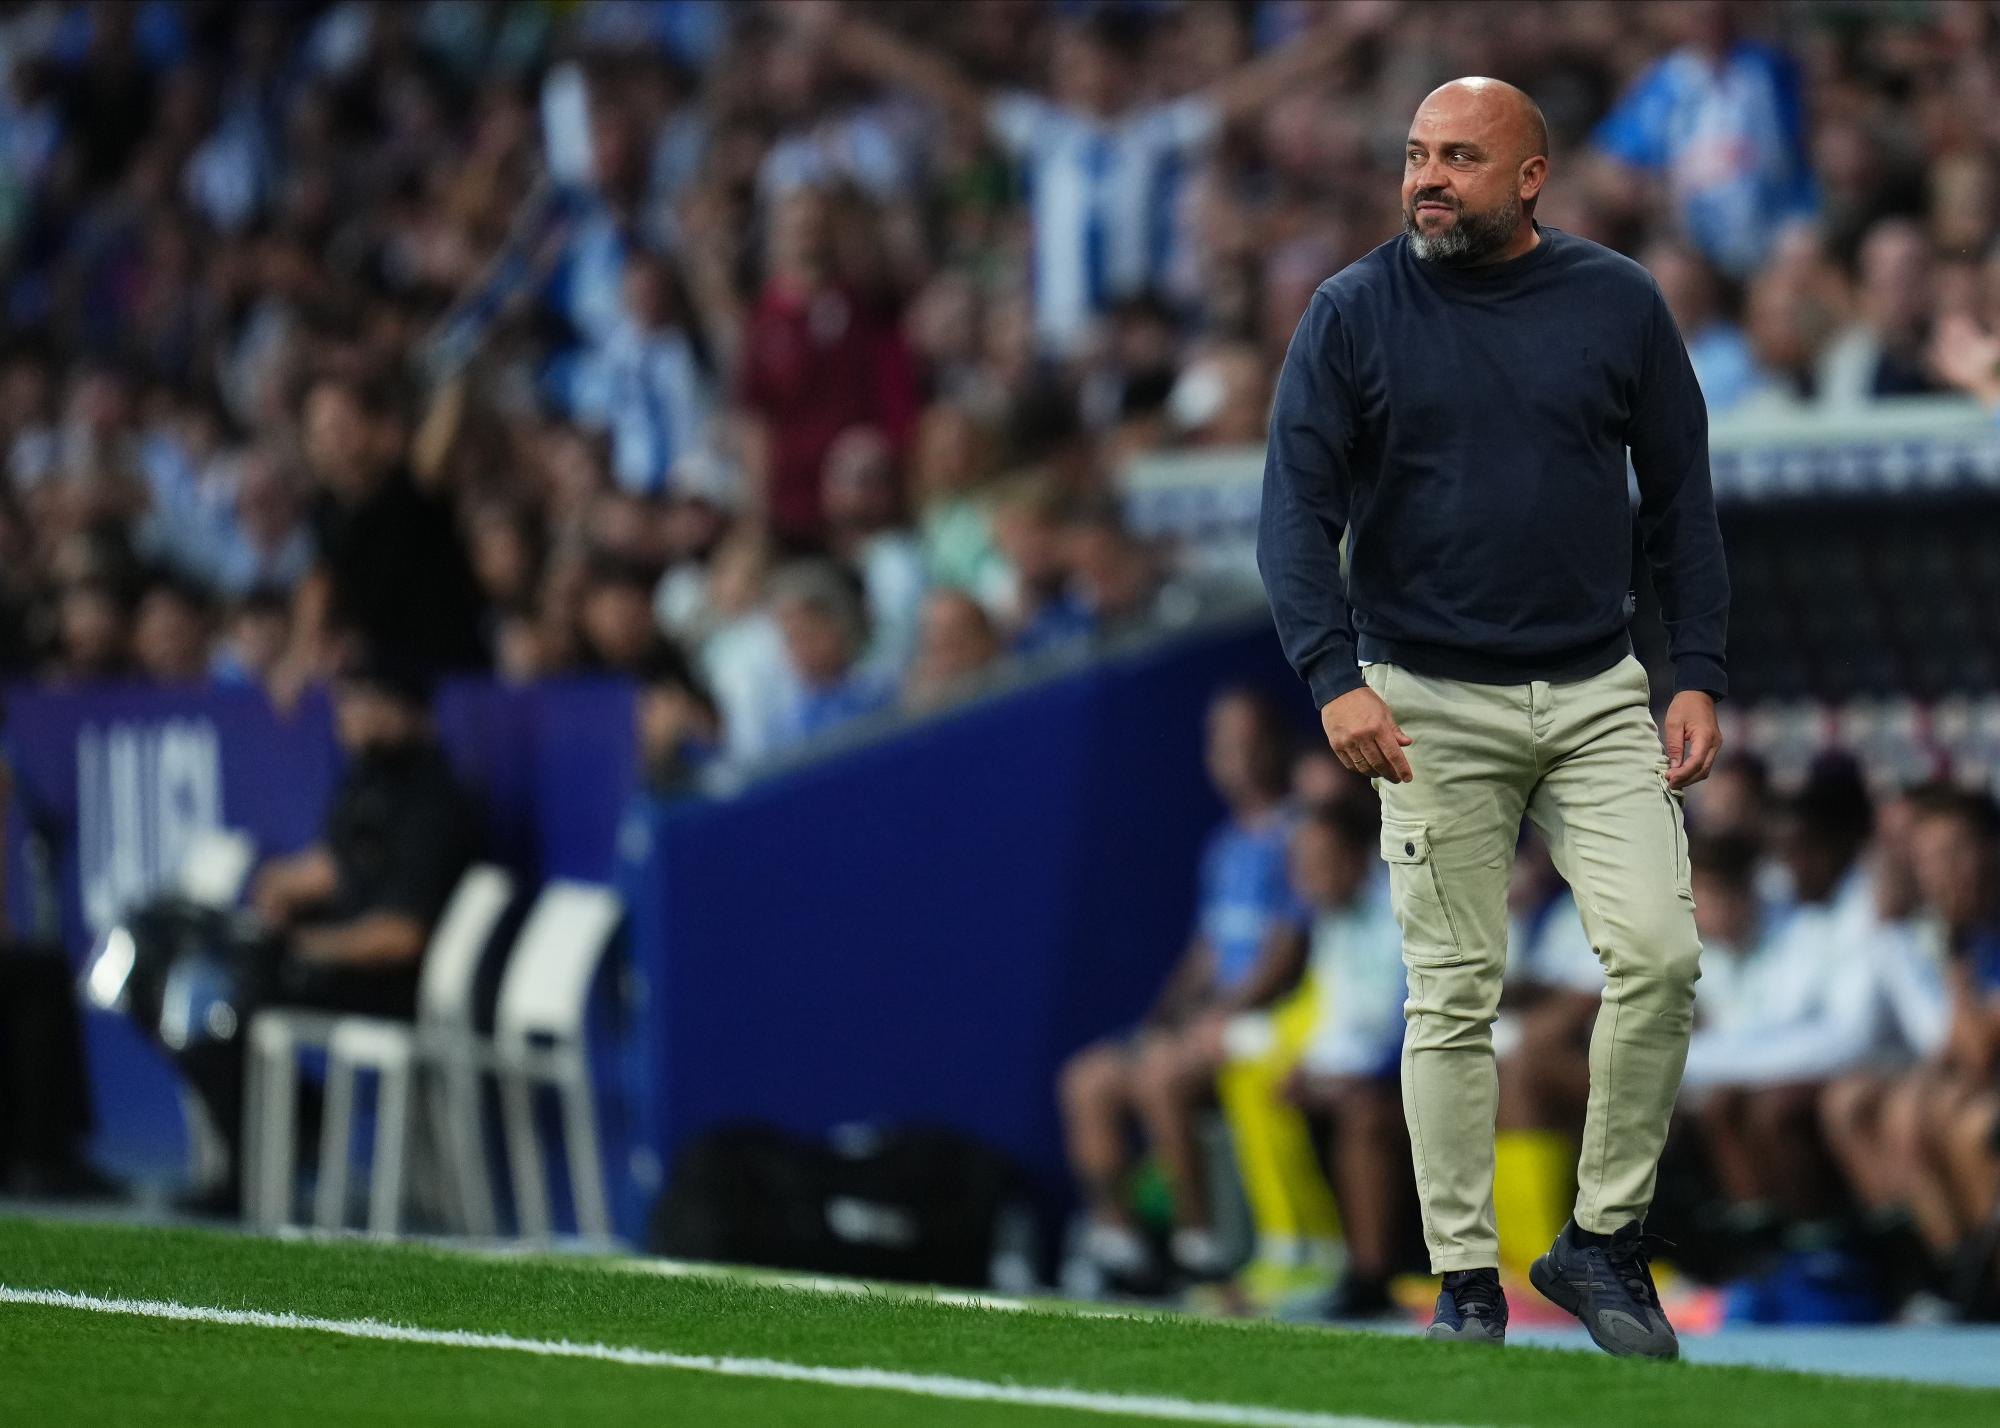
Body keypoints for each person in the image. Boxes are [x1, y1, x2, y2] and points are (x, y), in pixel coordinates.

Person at [1258, 77, 1730, 1356]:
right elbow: (1292, 513)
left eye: (1459, 158)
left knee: (1660, 958)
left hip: (1593, 690)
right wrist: (1331, 675)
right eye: (1416, 154)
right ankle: (1464, 1280)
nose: (1426, 178)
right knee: (1451, 993)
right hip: (1423, 697)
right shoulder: (1350, 311)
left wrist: (1693, 670)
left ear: (1529, 178)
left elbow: (1679, 499)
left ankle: (1600, 1241)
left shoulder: (1616, 301)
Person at [138, 653, 480, 1214]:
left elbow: (401, 935)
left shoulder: (433, 804)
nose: (351, 716)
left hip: (389, 986)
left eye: (367, 702)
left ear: (408, 711)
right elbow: (336, 866)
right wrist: (282, 886)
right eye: (348, 701)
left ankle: (264, 1162)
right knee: (183, 983)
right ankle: (292, 1131)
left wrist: (306, 947)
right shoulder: (366, 782)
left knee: (231, 1004)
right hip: (338, 967)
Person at [1058, 687, 1307, 1284]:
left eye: (1246, 740)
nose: (1234, 755)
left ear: (1273, 744)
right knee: (1087, 1080)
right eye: (1221, 743)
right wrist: (1164, 1018)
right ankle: (1120, 1245)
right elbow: (1207, 951)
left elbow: (1286, 955)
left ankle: (1199, 1245)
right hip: (1208, 1018)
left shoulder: (1300, 832)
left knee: (1160, 1076)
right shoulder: (1224, 845)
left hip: (1267, 1020)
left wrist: (1219, 1014)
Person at [1283, 797, 1410, 1319]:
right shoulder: (1331, 921)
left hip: (1417, 1072)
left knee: (1362, 1113)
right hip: (1366, 1074)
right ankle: (1312, 1257)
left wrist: (1359, 1078)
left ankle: (1372, 1276)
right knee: (1281, 1092)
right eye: (1300, 864)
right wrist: (1311, 1070)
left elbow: (1416, 1014)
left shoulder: (1404, 910)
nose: (1308, 878)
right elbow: (1337, 1017)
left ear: (1359, 854)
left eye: (1322, 862)